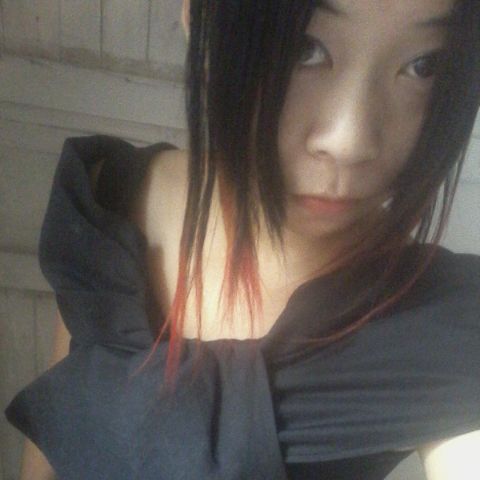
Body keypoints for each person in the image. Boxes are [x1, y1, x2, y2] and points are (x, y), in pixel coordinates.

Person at [5, 0, 480, 478]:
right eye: (302, 48)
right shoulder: (105, 203)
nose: (348, 142)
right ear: (203, 17)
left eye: (425, 65)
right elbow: (53, 429)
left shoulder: (448, 324)